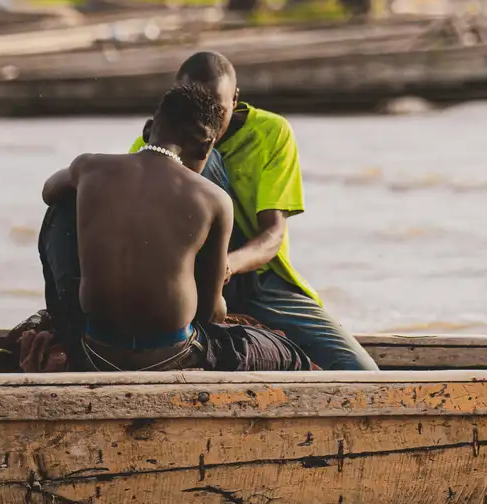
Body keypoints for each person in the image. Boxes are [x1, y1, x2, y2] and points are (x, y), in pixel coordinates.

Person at [130, 52, 377, 371]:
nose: (206, 123)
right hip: (185, 283)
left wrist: (224, 267)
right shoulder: (152, 145)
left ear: (235, 99)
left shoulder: (271, 132)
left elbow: (272, 235)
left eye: (217, 111)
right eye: (193, 107)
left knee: (360, 371)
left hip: (259, 280)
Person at [41, 82, 312, 371]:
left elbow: (48, 192)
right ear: (208, 144)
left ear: (149, 130)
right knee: (288, 353)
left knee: (60, 209)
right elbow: (209, 312)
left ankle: (67, 328)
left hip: (95, 349)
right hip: (171, 355)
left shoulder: (89, 167)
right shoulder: (214, 199)